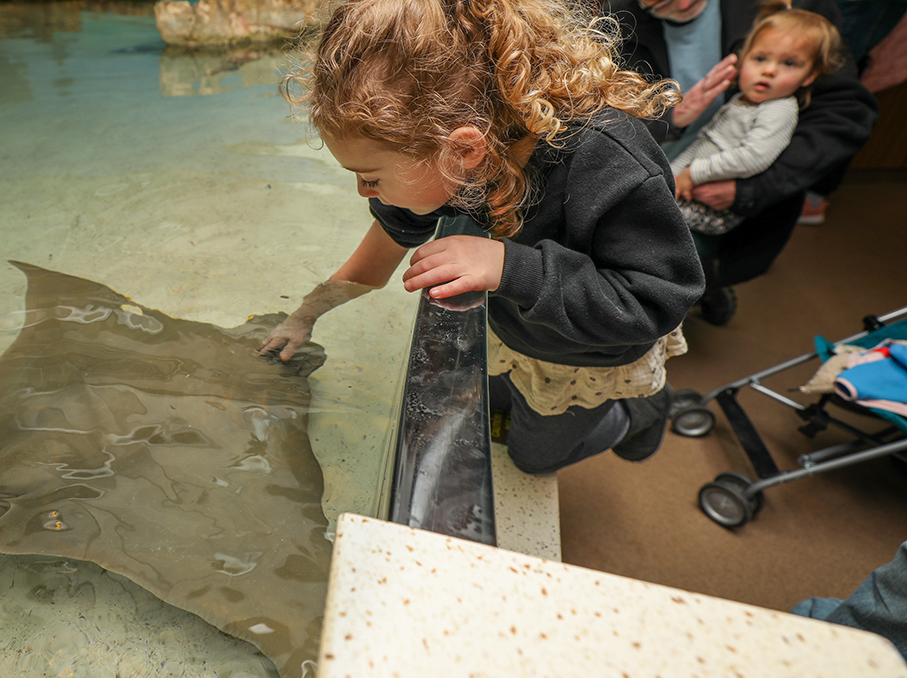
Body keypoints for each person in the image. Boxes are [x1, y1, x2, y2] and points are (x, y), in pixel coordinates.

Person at [259, 0, 705, 474]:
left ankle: (636, 413)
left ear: (464, 149)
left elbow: (658, 298)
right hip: (519, 330)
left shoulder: (610, 162)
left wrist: (509, 266)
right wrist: (305, 316)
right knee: (499, 414)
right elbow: (374, 262)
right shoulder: (449, 151)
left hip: (593, 354)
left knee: (532, 459)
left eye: (370, 176)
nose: (363, 192)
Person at [607, 0, 878, 325]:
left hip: (713, 200)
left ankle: (692, 291)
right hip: (658, 170)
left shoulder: (789, 18)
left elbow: (844, 112)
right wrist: (670, 119)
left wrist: (747, 187)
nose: (681, 3)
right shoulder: (609, 17)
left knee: (667, 252)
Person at [671, 3, 845, 237]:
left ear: (810, 76)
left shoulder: (778, 109)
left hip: (712, 209)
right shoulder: (741, 100)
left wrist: (693, 174)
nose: (770, 70)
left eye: (789, 63)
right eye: (760, 58)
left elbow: (752, 158)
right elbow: (704, 141)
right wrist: (671, 174)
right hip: (688, 187)